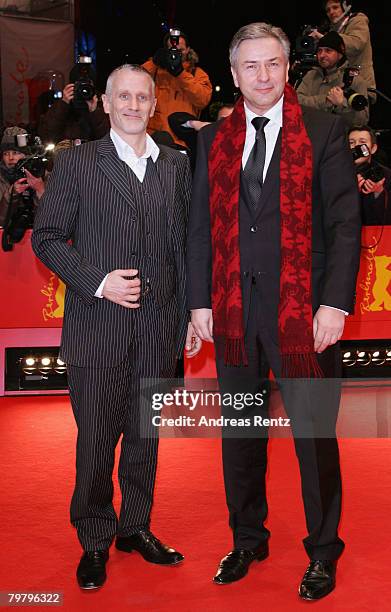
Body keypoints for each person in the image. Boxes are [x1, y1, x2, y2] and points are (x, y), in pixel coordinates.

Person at [186, 22, 361, 600]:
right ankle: (247, 538)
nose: (262, 76)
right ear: (233, 75)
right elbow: (200, 230)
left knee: (313, 437)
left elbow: (342, 225)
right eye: (250, 66)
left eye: (272, 64)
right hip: (233, 313)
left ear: (287, 68)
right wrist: (198, 302)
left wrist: (334, 303)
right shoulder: (213, 140)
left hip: (303, 313)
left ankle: (323, 551)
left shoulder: (325, 129)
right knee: (239, 432)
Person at [32, 64, 197, 590]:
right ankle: (96, 539)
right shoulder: (79, 163)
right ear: (105, 103)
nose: (132, 105)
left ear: (153, 104)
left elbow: (184, 245)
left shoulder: (175, 165)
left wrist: (193, 310)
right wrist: (99, 281)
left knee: (145, 440)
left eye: (141, 97)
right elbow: (47, 237)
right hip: (96, 328)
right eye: (122, 96)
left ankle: (136, 528)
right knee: (97, 442)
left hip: (159, 330)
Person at [142, 28, 212, 145]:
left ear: (188, 50)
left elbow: (203, 100)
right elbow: (132, 79)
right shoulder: (154, 71)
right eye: (172, 50)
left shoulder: (197, 73)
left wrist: (180, 73)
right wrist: (154, 63)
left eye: (181, 50)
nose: (176, 53)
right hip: (152, 140)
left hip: (182, 142)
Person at [297, 31, 369, 127]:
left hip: (340, 137)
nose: (322, 55)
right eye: (319, 51)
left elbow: (361, 121)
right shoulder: (311, 75)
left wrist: (341, 105)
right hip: (311, 133)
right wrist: (326, 100)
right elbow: (296, 103)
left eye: (328, 51)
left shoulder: (354, 80)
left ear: (340, 54)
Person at [310, 1, 376, 101]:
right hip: (340, 87)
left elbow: (356, 44)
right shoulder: (333, 30)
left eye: (335, 7)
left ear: (345, 7)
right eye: (328, 10)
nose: (331, 12)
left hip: (360, 85)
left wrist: (326, 39)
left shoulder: (358, 20)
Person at [0, 127, 45, 233]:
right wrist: (11, 195)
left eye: (15, 152)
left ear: (27, 155)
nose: (10, 158)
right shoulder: (1, 178)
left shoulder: (41, 175)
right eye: (6, 153)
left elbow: (54, 219)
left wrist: (40, 191)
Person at [37, 81, 109, 144]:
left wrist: (94, 111)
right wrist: (64, 103)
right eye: (79, 88)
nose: (83, 92)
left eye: (86, 88)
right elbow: (48, 136)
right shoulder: (61, 107)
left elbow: (106, 139)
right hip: (66, 152)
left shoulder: (100, 106)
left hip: (92, 154)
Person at [348, 125, 391, 225]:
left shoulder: (386, 174)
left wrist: (379, 193)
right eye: (351, 143)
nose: (356, 147)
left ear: (373, 148)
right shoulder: (333, 173)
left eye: (362, 142)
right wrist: (350, 193)